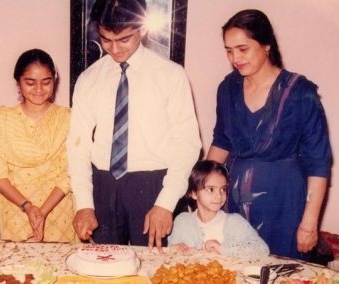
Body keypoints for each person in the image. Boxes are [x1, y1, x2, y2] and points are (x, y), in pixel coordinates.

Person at [67, 0, 201, 253]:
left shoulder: (170, 75)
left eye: (124, 39)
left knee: (154, 269)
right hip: (103, 183)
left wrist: (166, 202)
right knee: (103, 266)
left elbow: (187, 142)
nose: (115, 49)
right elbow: (78, 144)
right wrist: (83, 203)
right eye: (106, 40)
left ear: (142, 28)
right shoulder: (89, 79)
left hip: (153, 184)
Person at [207, 9, 332, 260]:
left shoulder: (300, 92)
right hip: (235, 203)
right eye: (229, 51)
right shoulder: (227, 88)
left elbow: (318, 163)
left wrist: (309, 223)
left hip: (285, 205)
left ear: (266, 45)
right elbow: (221, 142)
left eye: (243, 49)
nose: (235, 58)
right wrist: (201, 188)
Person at [0, 49, 76, 242]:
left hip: (58, 209)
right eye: (30, 82)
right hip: (17, 210)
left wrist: (43, 211)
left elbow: (69, 172)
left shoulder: (67, 119)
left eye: (46, 82)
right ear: (19, 83)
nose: (39, 89)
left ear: (54, 82)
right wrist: (28, 206)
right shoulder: (1, 122)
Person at [168, 160, 269, 259]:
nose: (219, 196)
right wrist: (175, 248)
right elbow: (172, 250)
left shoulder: (234, 222)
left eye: (223, 189)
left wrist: (223, 249)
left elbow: (262, 250)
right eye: (211, 189)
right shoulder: (183, 221)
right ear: (194, 193)